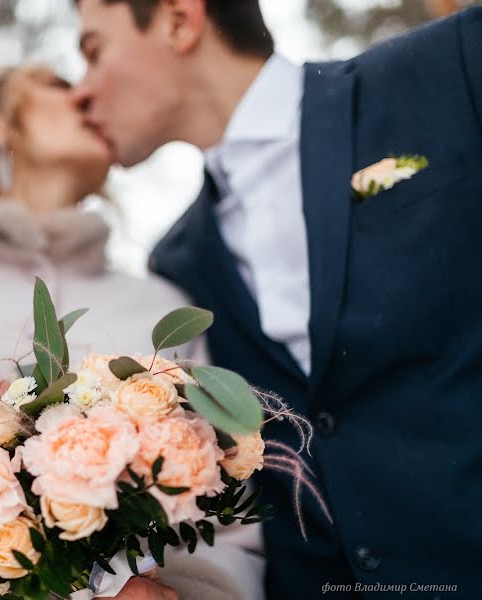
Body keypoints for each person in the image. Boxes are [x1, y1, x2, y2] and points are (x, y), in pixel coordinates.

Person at [70, 0, 482, 598]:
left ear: (179, 21)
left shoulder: (448, 68)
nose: (82, 92)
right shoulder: (179, 261)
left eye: (92, 51)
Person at [0, 63, 263, 600]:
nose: (87, 93)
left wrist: (186, 592)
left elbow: (230, 523)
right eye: (59, 85)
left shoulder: (160, 305)